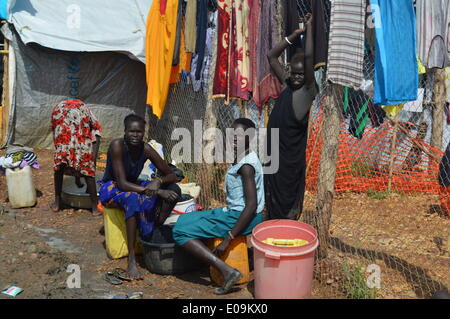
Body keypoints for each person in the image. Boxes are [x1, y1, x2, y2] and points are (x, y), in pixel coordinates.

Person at [173, 118, 264, 295]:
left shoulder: (246, 166)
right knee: (184, 219)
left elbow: (251, 205)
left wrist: (229, 238)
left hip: (241, 217)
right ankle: (211, 259)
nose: (235, 139)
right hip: (235, 213)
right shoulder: (242, 158)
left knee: (179, 230)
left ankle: (227, 270)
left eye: (240, 135)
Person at [99, 114, 181, 279]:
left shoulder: (146, 149)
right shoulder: (117, 146)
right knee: (132, 198)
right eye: (132, 131)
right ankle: (131, 259)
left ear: (144, 133)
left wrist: (158, 181)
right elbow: (121, 183)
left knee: (174, 190)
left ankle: (152, 231)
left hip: (133, 184)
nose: (135, 135)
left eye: (139, 132)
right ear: (125, 131)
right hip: (111, 187)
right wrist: (157, 191)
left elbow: (171, 175)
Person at [264, 13, 318, 220]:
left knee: (287, 202)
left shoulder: (307, 91)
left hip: (289, 161)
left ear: (308, 76)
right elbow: (271, 56)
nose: (296, 78)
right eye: (293, 73)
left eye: (301, 74)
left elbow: (310, 59)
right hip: (273, 155)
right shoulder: (287, 84)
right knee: (272, 200)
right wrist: (294, 35)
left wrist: (310, 28)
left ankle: (286, 233)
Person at [50, 99, 102, 216]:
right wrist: (93, 159)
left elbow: (55, 132)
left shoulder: (58, 109)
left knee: (59, 169)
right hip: (82, 144)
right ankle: (94, 207)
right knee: (88, 172)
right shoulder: (85, 110)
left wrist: (59, 147)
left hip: (63, 142)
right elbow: (97, 130)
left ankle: (57, 203)